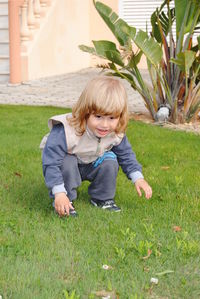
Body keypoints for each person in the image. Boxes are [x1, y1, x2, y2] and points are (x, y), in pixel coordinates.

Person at [41, 76, 152, 217]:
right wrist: (58, 192)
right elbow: (51, 163)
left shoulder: (114, 132)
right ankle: (65, 200)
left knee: (110, 160)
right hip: (69, 164)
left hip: (93, 162)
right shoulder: (65, 130)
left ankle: (102, 198)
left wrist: (138, 178)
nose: (105, 125)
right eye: (98, 117)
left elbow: (126, 155)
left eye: (112, 118)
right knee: (66, 162)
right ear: (86, 112)